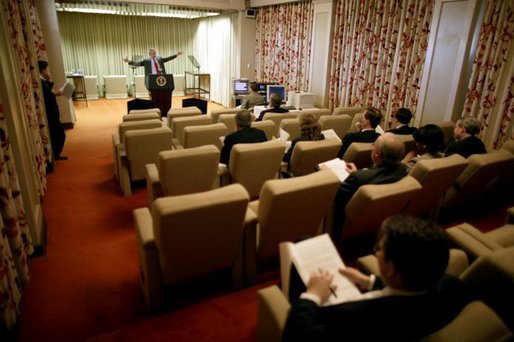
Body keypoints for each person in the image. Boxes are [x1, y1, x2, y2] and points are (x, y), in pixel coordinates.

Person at [283, 214, 468, 341]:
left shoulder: (352, 319)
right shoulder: (452, 286)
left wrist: (312, 295)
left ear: (391, 269)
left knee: (301, 246)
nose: (377, 252)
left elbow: (297, 336)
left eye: (379, 249)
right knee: (306, 240)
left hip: (319, 313)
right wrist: (369, 282)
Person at [331, 133, 407, 239]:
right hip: (381, 221)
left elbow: (336, 197)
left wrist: (327, 175)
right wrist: (358, 173)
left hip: (349, 226)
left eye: (373, 145)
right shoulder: (403, 170)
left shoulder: (359, 178)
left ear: (376, 153)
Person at [123, 48, 183, 117]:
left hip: (162, 79)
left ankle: (164, 110)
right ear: (149, 54)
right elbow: (138, 63)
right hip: (152, 80)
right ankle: (153, 110)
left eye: (155, 53)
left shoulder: (159, 59)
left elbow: (168, 58)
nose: (154, 54)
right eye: (153, 53)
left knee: (164, 94)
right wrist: (129, 61)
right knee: (153, 95)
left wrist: (176, 55)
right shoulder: (146, 61)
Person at [38, 60, 67, 162]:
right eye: (46, 69)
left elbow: (48, 90)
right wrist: (58, 92)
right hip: (50, 113)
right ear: (43, 70)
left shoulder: (42, 81)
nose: (48, 71)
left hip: (52, 112)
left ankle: (56, 155)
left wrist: (49, 79)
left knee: (57, 134)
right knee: (59, 134)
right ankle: (55, 155)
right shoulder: (40, 82)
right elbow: (48, 96)